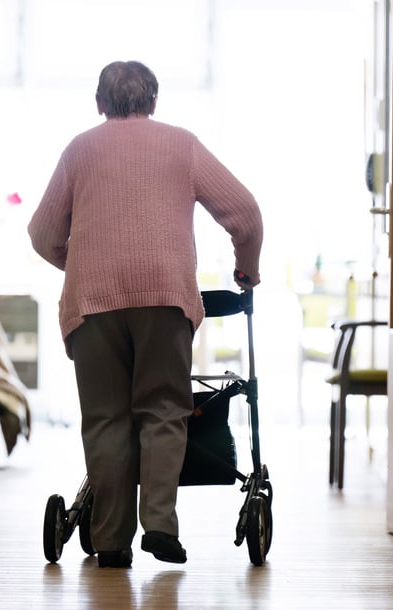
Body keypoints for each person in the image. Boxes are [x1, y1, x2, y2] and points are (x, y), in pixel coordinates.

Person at [28, 60, 263, 568]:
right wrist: (247, 269)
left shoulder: (80, 149)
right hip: (164, 297)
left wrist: (85, 264)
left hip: (92, 305)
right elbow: (244, 214)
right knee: (162, 410)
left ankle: (111, 541)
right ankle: (160, 525)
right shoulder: (181, 144)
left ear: (99, 103)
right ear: (153, 102)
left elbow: (42, 235)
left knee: (107, 419)